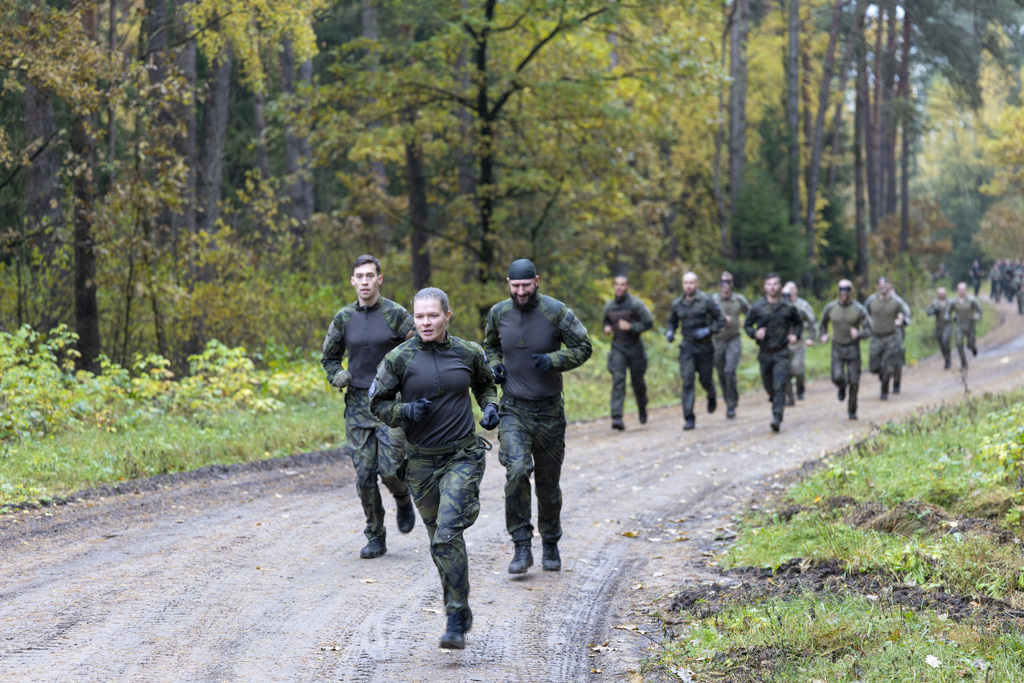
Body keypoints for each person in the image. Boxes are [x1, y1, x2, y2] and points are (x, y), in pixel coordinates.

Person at [369, 287, 499, 650]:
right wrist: (405, 412)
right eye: (420, 316)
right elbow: (376, 404)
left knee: (446, 535)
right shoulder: (399, 358)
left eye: (432, 315)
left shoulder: (468, 352)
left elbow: (486, 385)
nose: (425, 322)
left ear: (447, 315)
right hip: (421, 463)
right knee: (439, 544)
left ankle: (455, 615)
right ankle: (461, 607)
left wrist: (490, 408)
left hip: (463, 456)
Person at [483, 259, 592, 575]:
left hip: (548, 411)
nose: (520, 292)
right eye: (515, 286)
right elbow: (489, 345)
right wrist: (495, 364)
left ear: (537, 282)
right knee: (516, 471)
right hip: (514, 408)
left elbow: (583, 347)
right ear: (508, 284)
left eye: (526, 286)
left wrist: (555, 359)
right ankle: (520, 545)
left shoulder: (556, 311)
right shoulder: (498, 313)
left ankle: (550, 543)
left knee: (548, 484)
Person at [321, 254, 416, 560]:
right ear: (353, 281)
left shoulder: (396, 315)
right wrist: (337, 375)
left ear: (379, 280)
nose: (364, 281)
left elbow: (419, 348)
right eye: (359, 276)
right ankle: (375, 536)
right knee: (364, 476)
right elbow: (329, 357)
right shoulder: (344, 318)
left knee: (389, 470)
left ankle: (402, 497)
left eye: (369, 276)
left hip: (391, 402)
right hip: (358, 404)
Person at [743, 273, 803, 432]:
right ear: (765, 287)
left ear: (780, 286)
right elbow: (747, 325)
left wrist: (795, 335)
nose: (772, 287)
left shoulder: (788, 306)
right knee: (769, 386)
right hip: (765, 352)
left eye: (775, 284)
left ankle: (777, 417)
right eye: (769, 284)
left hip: (782, 352)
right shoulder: (757, 306)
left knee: (780, 384)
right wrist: (755, 333)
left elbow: (798, 324)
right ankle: (775, 398)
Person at [666, 272, 725, 430]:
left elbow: (721, 320)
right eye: (685, 283)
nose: (688, 286)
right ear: (682, 284)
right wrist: (670, 332)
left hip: (705, 347)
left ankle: (711, 394)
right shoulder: (677, 303)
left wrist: (708, 330)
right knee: (687, 381)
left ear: (697, 284)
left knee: (705, 380)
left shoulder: (707, 300)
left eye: (691, 283)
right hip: (687, 347)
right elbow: (672, 322)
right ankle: (689, 417)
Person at [602, 275, 654, 430]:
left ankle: (642, 406)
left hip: (635, 347)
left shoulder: (636, 304)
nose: (619, 287)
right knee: (618, 380)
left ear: (627, 287)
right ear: (613, 287)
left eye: (622, 284)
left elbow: (648, 323)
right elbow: (606, 320)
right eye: (616, 284)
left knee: (637, 381)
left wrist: (631, 327)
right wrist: (607, 328)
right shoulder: (609, 306)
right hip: (618, 348)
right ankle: (617, 417)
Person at [819, 279, 872, 419]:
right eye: (841, 289)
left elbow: (869, 329)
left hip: (853, 348)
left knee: (854, 382)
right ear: (838, 291)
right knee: (837, 376)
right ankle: (842, 386)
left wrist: (859, 334)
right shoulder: (831, 308)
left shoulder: (858, 309)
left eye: (847, 289)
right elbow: (822, 324)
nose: (844, 292)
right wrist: (823, 335)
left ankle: (852, 410)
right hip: (837, 347)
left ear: (851, 291)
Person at [711, 272, 751, 419]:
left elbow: (752, 312)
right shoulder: (713, 300)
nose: (725, 285)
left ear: (732, 284)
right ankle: (728, 400)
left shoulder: (739, 300)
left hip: (734, 339)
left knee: (729, 370)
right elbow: (706, 317)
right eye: (722, 282)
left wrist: (746, 321)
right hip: (717, 340)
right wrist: (719, 321)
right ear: (719, 284)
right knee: (721, 373)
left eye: (727, 282)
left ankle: (732, 404)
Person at [865, 276, 911, 399]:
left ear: (889, 286)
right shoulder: (871, 301)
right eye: (880, 285)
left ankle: (884, 390)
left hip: (892, 337)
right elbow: (863, 315)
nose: (882, 287)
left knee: (890, 368)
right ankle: (882, 374)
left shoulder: (897, 301)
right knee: (873, 368)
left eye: (885, 285)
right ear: (877, 287)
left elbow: (907, 316)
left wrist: (901, 320)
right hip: (876, 337)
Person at [781, 281, 816, 405]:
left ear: (795, 291)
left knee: (797, 370)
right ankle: (790, 398)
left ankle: (800, 388)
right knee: (786, 371)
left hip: (799, 343)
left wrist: (811, 337)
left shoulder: (802, 306)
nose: (788, 295)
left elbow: (812, 321)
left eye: (791, 291)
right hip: (784, 344)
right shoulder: (779, 307)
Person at [946, 281, 982, 370]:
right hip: (959, 325)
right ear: (958, 290)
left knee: (970, 342)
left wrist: (977, 316)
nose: (962, 291)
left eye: (963, 289)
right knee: (959, 343)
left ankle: (973, 347)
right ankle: (964, 363)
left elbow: (979, 310)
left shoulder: (971, 300)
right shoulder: (954, 302)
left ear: (966, 290)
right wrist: (949, 318)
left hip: (970, 324)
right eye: (960, 289)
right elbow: (948, 312)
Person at [925, 286, 953, 369]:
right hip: (939, 326)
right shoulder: (935, 303)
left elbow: (957, 309)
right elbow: (927, 311)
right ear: (938, 294)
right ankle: (946, 358)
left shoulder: (950, 302)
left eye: (943, 294)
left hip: (948, 325)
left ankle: (948, 359)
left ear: (946, 294)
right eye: (940, 294)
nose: (942, 295)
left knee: (945, 341)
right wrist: (933, 311)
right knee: (941, 344)